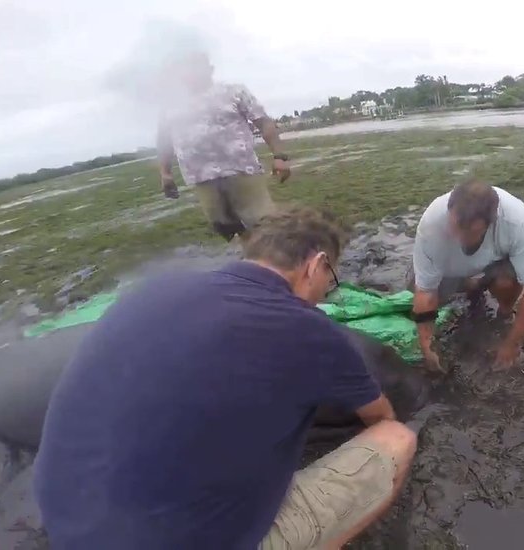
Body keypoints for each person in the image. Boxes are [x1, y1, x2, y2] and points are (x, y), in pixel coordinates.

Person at [34, 205, 417, 550]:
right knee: (396, 441)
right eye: (330, 279)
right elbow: (380, 417)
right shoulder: (308, 328)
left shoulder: (154, 288)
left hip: (68, 525)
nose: (324, 293)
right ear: (315, 265)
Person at [410, 180, 524, 371]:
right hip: (450, 273)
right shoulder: (431, 225)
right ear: (448, 211)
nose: (460, 237)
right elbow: (425, 292)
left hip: (492, 267)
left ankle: (504, 313)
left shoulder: (516, 222)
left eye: (470, 231)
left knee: (507, 281)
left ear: (490, 223)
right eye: (455, 227)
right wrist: (427, 348)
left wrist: (512, 344)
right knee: (414, 293)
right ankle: (470, 285)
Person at [156, 50, 291, 246]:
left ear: (209, 69)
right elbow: (164, 141)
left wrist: (280, 157)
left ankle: (283, 260)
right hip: (201, 178)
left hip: (241, 171)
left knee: (266, 224)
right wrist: (165, 173)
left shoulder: (234, 92)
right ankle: (254, 256)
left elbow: (264, 123)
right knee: (226, 226)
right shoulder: (170, 106)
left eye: (197, 66)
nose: (191, 72)